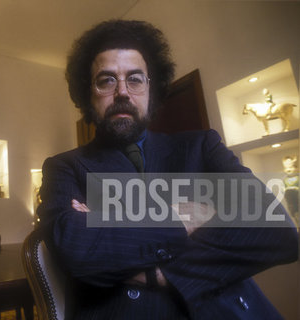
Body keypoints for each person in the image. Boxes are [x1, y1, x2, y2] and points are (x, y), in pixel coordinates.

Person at [36, 20, 298, 319]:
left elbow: (276, 229)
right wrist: (183, 216)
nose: (122, 91)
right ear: (88, 94)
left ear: (152, 89)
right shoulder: (64, 167)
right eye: (106, 80)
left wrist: (158, 273)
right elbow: (75, 247)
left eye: (135, 79)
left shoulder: (202, 146)